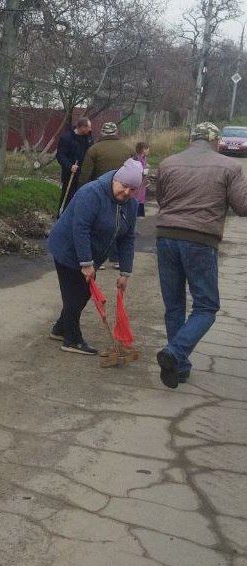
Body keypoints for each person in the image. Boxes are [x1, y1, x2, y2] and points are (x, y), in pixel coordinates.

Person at [154, 122, 247, 388]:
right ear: (216, 141)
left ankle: (178, 368)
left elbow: (162, 199)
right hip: (200, 240)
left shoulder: (168, 163)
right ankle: (175, 352)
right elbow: (242, 207)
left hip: (166, 237)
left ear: (191, 139)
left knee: (174, 306)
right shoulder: (230, 167)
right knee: (206, 306)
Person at [46, 158, 142, 355]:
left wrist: (125, 272)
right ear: (116, 179)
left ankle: (60, 328)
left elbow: (128, 237)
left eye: (132, 190)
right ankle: (72, 339)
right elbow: (80, 228)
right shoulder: (92, 192)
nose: (126, 193)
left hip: (91, 253)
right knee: (75, 294)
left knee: (84, 292)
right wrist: (86, 263)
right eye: (124, 186)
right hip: (68, 247)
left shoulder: (130, 204)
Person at [79, 122, 135, 270]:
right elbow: (136, 171)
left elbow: (85, 174)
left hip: (100, 193)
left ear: (102, 133)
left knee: (98, 227)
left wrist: (81, 193)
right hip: (124, 193)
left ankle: (99, 260)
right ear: (117, 133)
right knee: (120, 224)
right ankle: (117, 259)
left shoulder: (94, 149)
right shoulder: (128, 149)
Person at [55, 118, 94, 215]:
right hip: (70, 174)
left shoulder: (89, 138)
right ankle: (62, 216)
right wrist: (69, 166)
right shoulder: (67, 138)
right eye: (88, 127)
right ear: (82, 127)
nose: (90, 130)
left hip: (84, 174)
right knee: (67, 196)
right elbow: (60, 155)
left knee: (82, 197)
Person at [133, 142, 150, 218]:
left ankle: (140, 214)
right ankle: (135, 214)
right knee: (137, 197)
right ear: (142, 150)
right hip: (138, 182)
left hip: (143, 183)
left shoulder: (144, 158)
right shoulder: (137, 159)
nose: (148, 150)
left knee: (141, 197)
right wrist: (144, 170)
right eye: (146, 149)